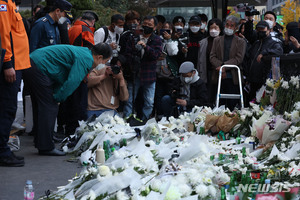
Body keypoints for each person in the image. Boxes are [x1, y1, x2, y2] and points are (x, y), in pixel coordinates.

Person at [23, 43, 112, 156]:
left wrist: (57, 93)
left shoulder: (84, 53)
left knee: (41, 106)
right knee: (50, 106)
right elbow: (72, 81)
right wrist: (59, 97)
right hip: (39, 66)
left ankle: (42, 139)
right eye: (105, 61)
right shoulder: (86, 59)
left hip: (34, 62)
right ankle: (45, 146)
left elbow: (61, 75)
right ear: (99, 57)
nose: (104, 65)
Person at [0, 0, 31, 166]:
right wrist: (7, 63)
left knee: (7, 109)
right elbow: (3, 34)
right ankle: (2, 152)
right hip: (11, 65)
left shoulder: (8, 3)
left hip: (16, 64)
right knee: (7, 109)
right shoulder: (2, 4)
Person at [123, 16, 162, 122]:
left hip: (149, 75)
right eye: (145, 24)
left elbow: (156, 55)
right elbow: (127, 54)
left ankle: (144, 121)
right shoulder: (134, 37)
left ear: (154, 27)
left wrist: (146, 47)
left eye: (150, 25)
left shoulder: (157, 39)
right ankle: (128, 119)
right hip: (134, 74)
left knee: (149, 101)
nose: (146, 27)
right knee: (129, 99)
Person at [210, 15, 246, 110]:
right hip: (219, 76)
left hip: (233, 77)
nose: (229, 27)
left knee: (232, 105)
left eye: (232, 26)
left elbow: (239, 58)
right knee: (219, 105)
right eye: (227, 25)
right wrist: (221, 68)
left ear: (236, 28)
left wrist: (224, 67)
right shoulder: (217, 40)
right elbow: (212, 56)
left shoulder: (241, 41)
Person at [246, 21, 283, 103]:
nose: (260, 31)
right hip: (252, 80)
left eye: (262, 29)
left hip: (265, 81)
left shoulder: (274, 43)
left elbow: (279, 51)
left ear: (269, 30)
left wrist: (264, 53)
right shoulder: (256, 44)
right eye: (258, 29)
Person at [155, 22, 180, 119]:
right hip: (158, 74)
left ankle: (169, 116)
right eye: (164, 28)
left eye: (168, 29)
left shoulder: (174, 41)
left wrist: (168, 39)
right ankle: (160, 116)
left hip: (170, 75)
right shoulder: (157, 40)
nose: (166, 31)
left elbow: (173, 52)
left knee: (168, 96)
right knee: (158, 96)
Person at [197, 18, 223, 107]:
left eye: (216, 28)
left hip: (220, 72)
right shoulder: (203, 42)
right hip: (206, 72)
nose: (213, 30)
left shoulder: (223, 41)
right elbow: (200, 60)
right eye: (211, 28)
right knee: (208, 95)